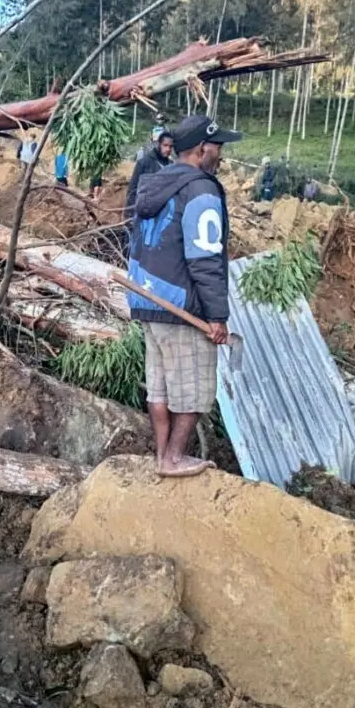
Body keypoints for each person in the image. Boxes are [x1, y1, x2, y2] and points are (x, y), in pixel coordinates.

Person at [127, 114, 242, 477]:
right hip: (181, 304)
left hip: (148, 298)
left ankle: (162, 456)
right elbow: (204, 257)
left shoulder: (155, 182)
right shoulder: (201, 190)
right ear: (200, 149)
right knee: (193, 389)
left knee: (159, 386)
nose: (220, 154)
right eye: (217, 146)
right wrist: (217, 315)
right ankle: (174, 458)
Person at [126, 131, 174, 211]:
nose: (168, 149)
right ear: (159, 144)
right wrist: (130, 214)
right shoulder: (144, 162)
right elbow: (133, 190)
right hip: (144, 209)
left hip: (163, 211)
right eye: (165, 145)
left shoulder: (171, 166)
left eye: (170, 146)